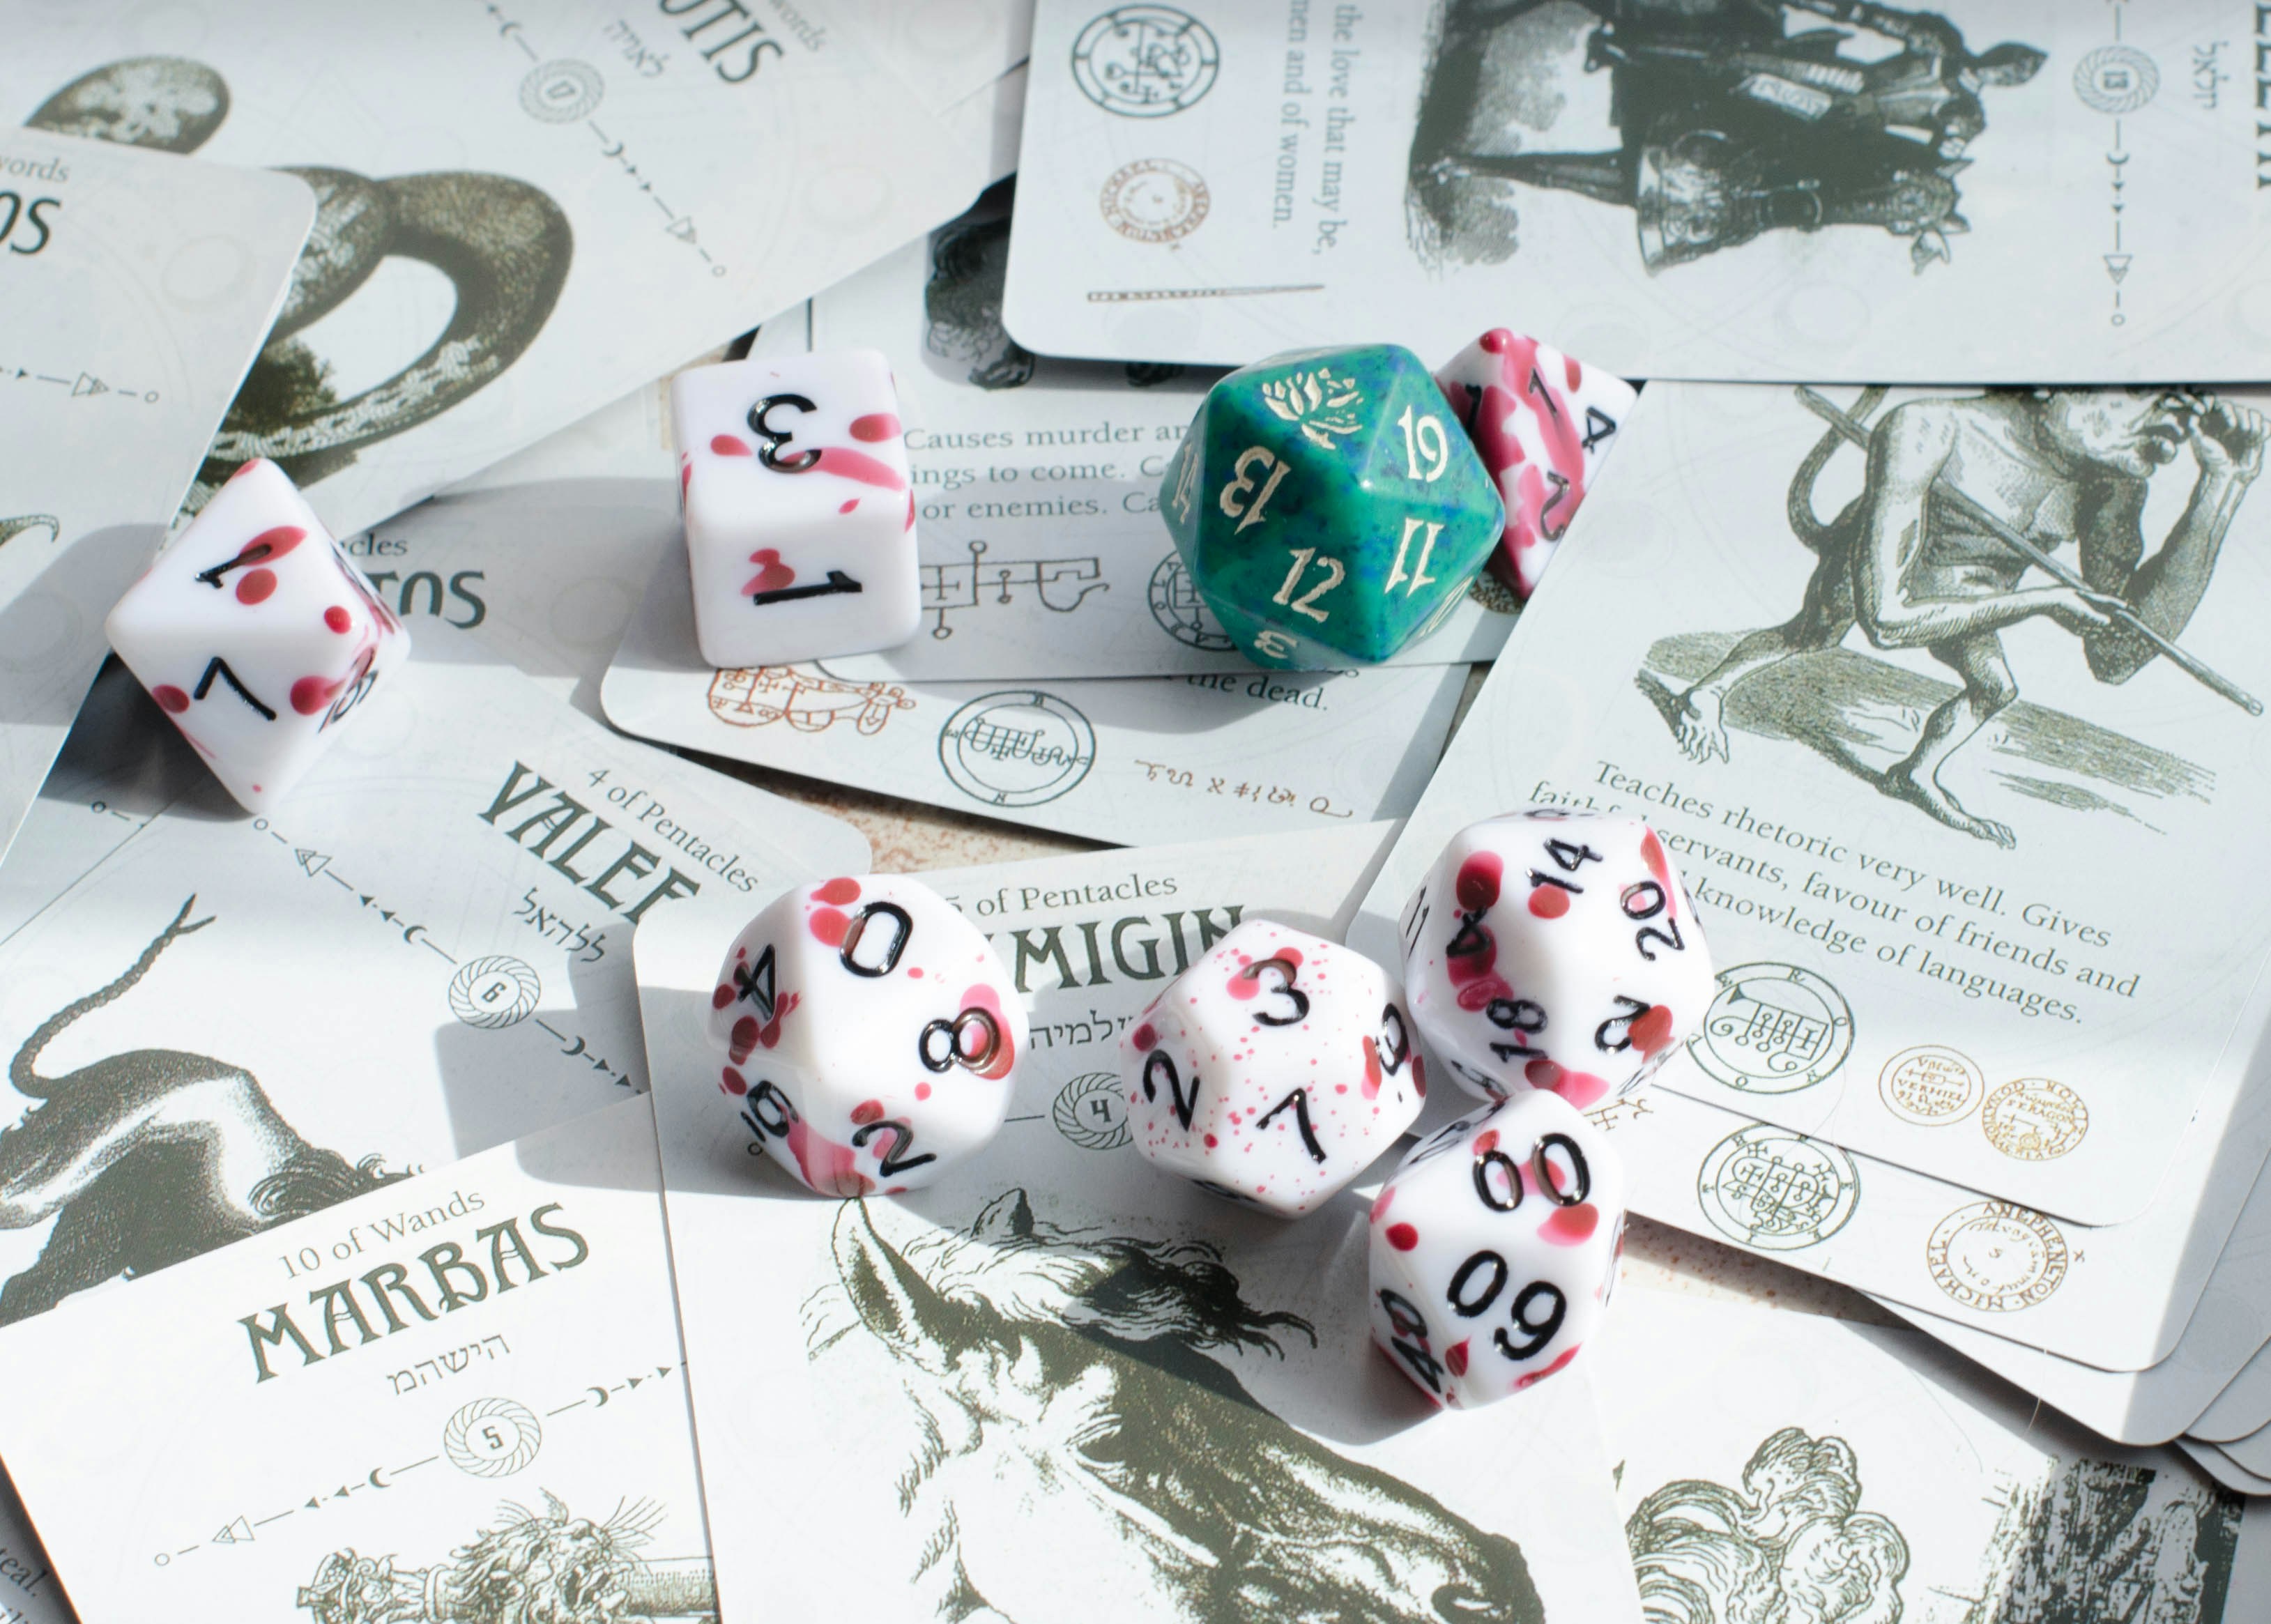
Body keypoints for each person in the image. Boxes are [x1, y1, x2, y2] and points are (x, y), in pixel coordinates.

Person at [1664, 390, 2267, 848]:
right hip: (1890, 574)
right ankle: (1705, 691)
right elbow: (1889, 621)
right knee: (1815, 632)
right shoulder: (1932, 426)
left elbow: (2119, 654)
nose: (2172, 427)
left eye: (2184, 419)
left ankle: (1914, 774)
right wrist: (2046, 601)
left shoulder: (2112, 484)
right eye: (2148, 395)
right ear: (2056, 384)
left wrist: (2221, 488)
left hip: (1968, 590)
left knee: (1995, 687)